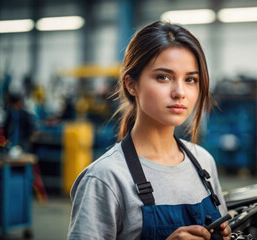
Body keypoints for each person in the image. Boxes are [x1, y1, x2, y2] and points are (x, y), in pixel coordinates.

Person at [68, 21, 231, 240]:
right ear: (131, 84)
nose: (180, 92)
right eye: (163, 77)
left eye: (190, 79)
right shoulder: (106, 178)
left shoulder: (203, 162)